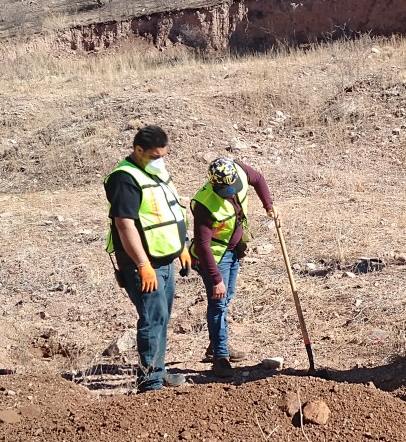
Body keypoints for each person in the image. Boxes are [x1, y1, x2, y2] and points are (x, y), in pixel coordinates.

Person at [104, 125, 191, 392]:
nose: (159, 160)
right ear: (138, 150)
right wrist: (142, 264)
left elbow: (170, 213)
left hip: (165, 259)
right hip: (143, 263)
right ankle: (151, 381)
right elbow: (124, 225)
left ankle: (158, 370)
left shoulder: (156, 173)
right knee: (152, 318)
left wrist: (181, 246)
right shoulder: (125, 178)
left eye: (163, 155)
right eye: (154, 156)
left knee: (162, 316)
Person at [190, 157, 278, 378]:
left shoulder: (237, 169)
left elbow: (258, 179)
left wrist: (269, 205)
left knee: (227, 298)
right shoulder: (204, 203)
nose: (231, 193)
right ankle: (220, 358)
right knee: (218, 302)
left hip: (234, 249)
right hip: (215, 257)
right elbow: (202, 246)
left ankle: (216, 344)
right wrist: (216, 278)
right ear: (214, 184)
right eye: (226, 190)